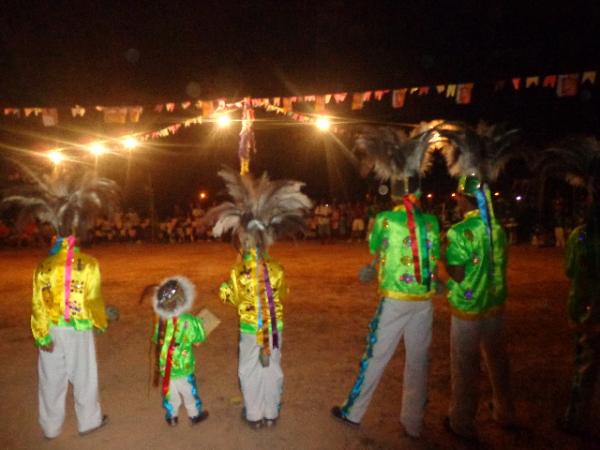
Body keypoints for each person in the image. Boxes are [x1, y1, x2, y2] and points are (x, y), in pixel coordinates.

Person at [4, 165, 121, 439]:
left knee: (51, 380)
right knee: (84, 376)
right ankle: (89, 422)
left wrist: (41, 334)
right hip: (79, 329)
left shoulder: (43, 266)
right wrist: (102, 320)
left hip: (53, 329)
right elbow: (92, 301)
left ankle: (51, 427)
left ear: (54, 229)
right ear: (78, 228)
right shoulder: (89, 263)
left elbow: (38, 305)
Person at [332, 177, 441, 439]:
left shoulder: (385, 220)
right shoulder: (432, 221)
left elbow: (374, 246)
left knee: (376, 356)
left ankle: (354, 412)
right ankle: (413, 422)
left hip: (395, 299)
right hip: (424, 299)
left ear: (394, 194)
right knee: (418, 361)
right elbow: (434, 256)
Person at [209, 167, 311, 429]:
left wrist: (225, 288)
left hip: (249, 328)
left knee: (249, 368)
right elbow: (284, 293)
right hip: (274, 327)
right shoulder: (276, 268)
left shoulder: (238, 270)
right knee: (272, 367)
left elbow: (228, 297)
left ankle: (254, 414)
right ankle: (270, 413)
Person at [443, 176, 515, 441]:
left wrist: (443, 256)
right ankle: (506, 412)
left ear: (464, 198)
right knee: (497, 360)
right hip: (494, 305)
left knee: (465, 365)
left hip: (468, 307)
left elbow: (459, 274)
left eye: (458, 197)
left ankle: (461, 421)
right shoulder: (497, 229)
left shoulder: (460, 231)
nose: (457, 202)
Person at [558, 200, 600, 436]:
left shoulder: (580, 236)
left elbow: (570, 270)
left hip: (587, 310)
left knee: (584, 368)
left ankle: (575, 420)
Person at [148, 276, 209, 426]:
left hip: (165, 365)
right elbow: (199, 339)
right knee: (189, 390)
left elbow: (157, 338)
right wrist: (200, 324)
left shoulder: (161, 320)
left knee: (170, 391)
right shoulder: (189, 320)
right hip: (183, 365)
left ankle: (172, 416)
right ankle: (194, 414)